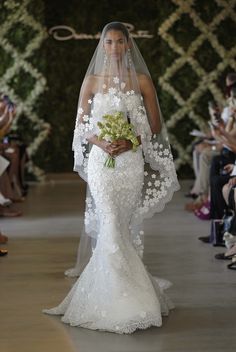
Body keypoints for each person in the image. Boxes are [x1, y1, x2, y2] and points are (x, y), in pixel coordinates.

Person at [43, 22, 179, 334]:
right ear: (102, 46)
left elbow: (154, 126)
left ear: (128, 45)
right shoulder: (91, 81)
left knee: (121, 225)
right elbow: (81, 126)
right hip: (102, 162)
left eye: (120, 42)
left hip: (129, 161)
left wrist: (130, 141)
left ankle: (131, 295)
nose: (115, 47)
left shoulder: (141, 80)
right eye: (109, 42)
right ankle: (119, 299)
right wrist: (101, 142)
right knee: (109, 224)